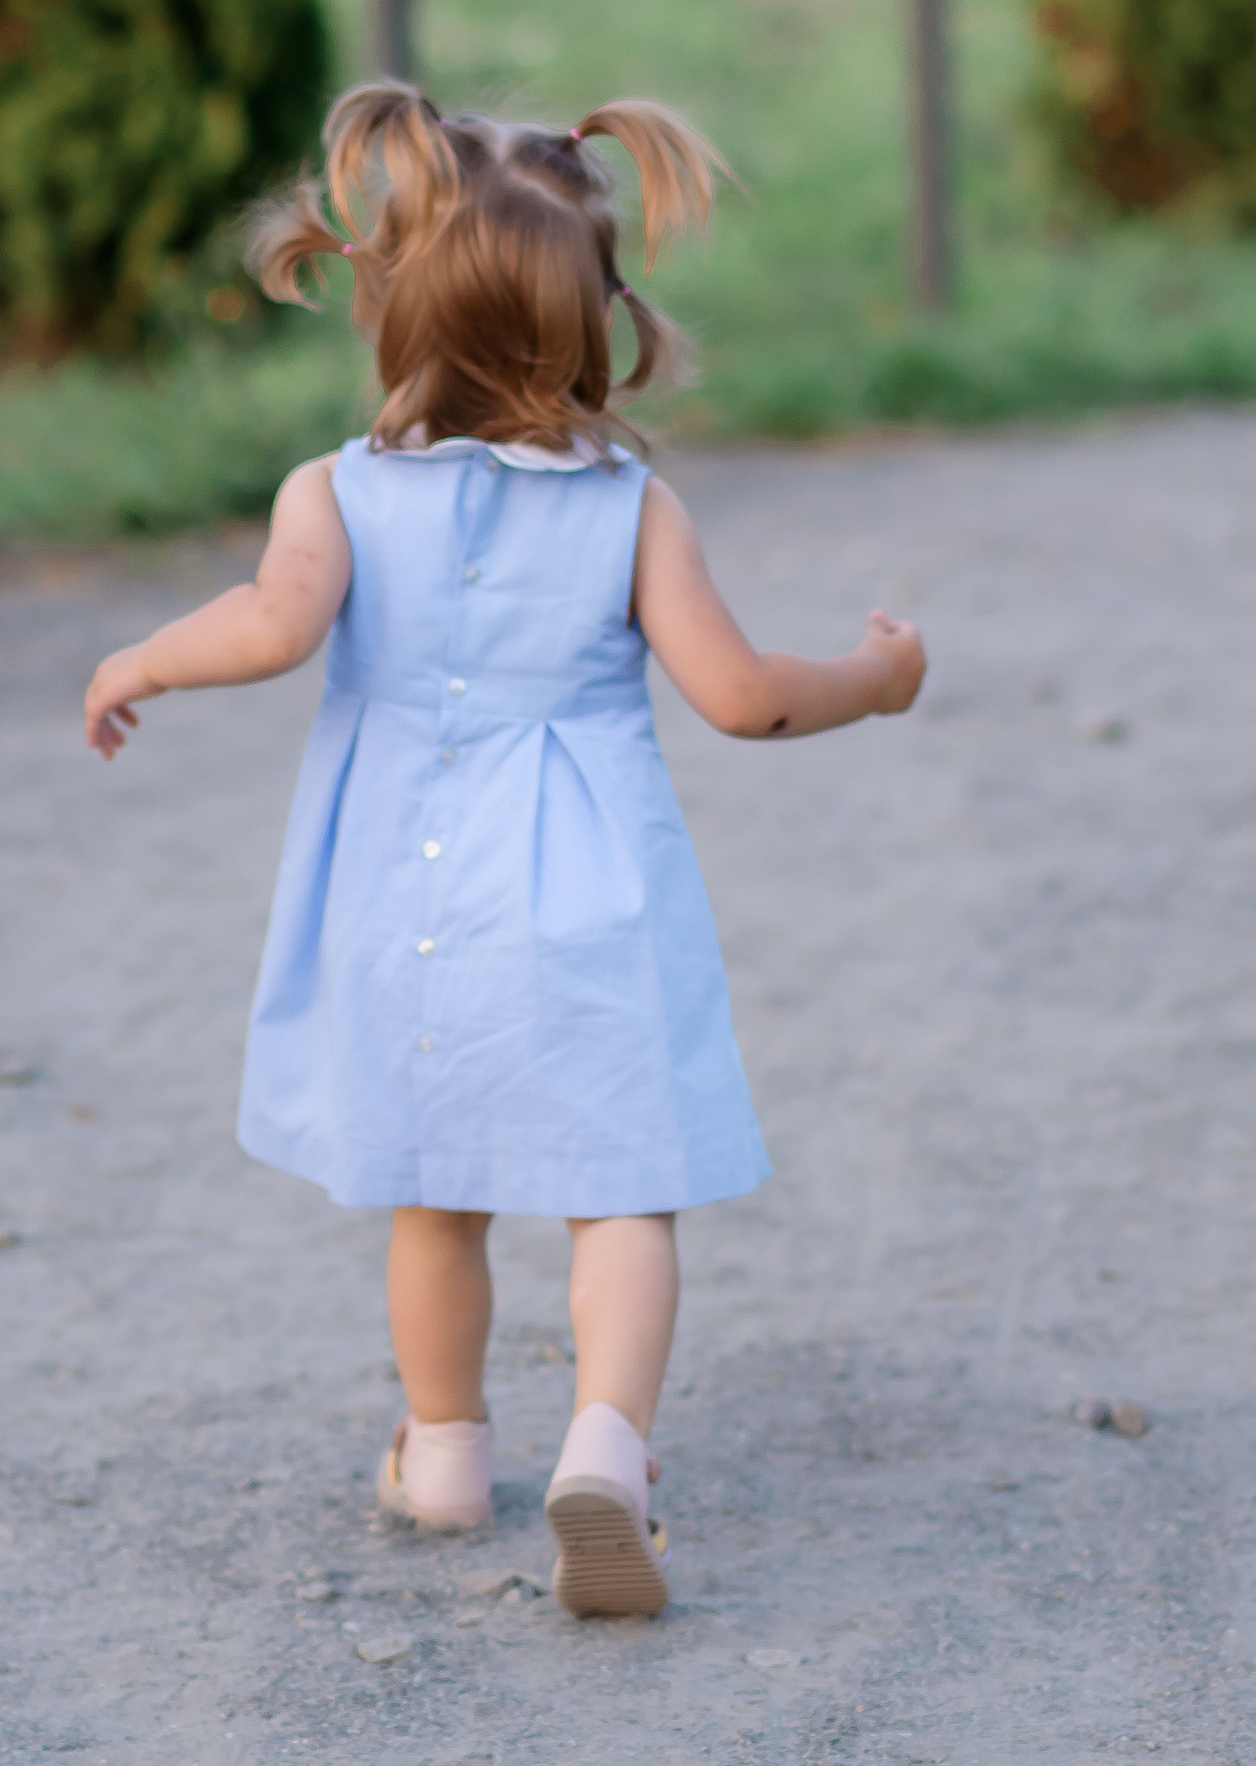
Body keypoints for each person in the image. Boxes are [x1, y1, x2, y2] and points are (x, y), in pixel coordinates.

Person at [82, 84, 924, 1620]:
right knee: (624, 1189)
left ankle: (450, 1447)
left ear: (387, 301)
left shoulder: (331, 494)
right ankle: (605, 1446)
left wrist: (140, 656)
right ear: (597, 321)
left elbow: (269, 627)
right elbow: (740, 699)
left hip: (405, 905)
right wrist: (874, 680)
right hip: (589, 897)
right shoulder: (632, 509)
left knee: (436, 1188)